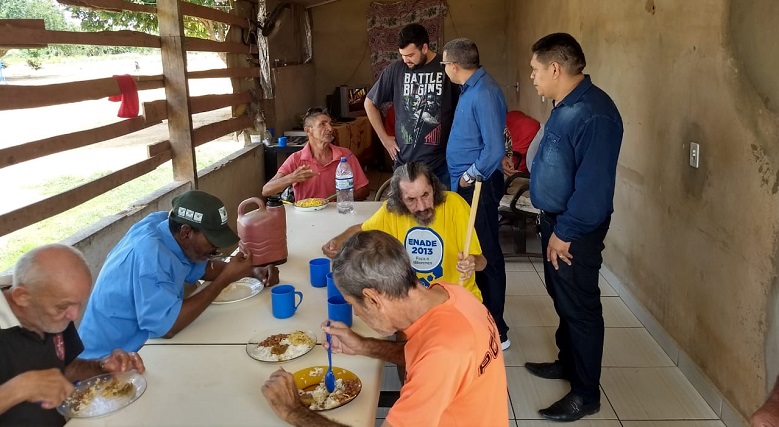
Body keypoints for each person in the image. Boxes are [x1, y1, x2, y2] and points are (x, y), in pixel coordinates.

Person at [262, 230, 508, 427]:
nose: (356, 313)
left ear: (372, 298)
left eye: (352, 304)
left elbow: (435, 359)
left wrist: (293, 411)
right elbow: (421, 354)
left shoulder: (444, 353)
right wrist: (363, 345)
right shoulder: (449, 293)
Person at [524, 33, 623, 422]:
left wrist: (564, 233)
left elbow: (594, 190)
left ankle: (586, 393)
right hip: (555, 223)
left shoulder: (594, 114)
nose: (531, 77)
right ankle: (568, 363)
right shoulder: (564, 105)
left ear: (554, 68)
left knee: (580, 308)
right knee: (562, 299)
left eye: (534, 69)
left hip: (573, 231)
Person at [78, 190, 279, 358]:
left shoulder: (166, 227)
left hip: (142, 348)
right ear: (185, 232)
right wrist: (225, 279)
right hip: (108, 362)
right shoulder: (151, 255)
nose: (215, 249)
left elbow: (200, 266)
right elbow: (168, 327)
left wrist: (251, 271)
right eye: (211, 242)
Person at [0, 244, 145, 426]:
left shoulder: (55, 312)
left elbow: (65, 369)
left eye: (78, 304)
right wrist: (17, 389)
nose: (74, 316)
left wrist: (101, 366)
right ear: (22, 297)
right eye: (63, 306)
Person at [321, 161, 486, 301]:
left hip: (455, 299)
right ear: (399, 199)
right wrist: (338, 240)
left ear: (434, 189)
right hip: (412, 300)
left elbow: (482, 263)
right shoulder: (392, 211)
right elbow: (361, 230)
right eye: (411, 200)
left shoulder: (455, 205)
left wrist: (472, 263)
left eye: (425, 194)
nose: (421, 206)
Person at [441, 38, 510, 350]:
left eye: (444, 65)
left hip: (478, 184)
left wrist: (469, 175)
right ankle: (479, 312)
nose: (444, 70)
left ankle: (498, 327)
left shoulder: (484, 92)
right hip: (467, 184)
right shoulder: (471, 88)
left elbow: (494, 149)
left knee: (487, 253)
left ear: (455, 66)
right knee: (473, 248)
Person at [365, 23, 459, 188]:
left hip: (441, 163)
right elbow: (370, 103)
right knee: (406, 212)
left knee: (442, 211)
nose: (405, 59)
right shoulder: (395, 70)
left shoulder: (446, 68)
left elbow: (463, 109)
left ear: (424, 48)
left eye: (410, 54)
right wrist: (384, 139)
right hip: (405, 165)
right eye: (402, 55)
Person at [262, 107, 370, 201]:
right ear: (308, 131)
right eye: (322, 124)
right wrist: (292, 178)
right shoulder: (296, 159)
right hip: (307, 218)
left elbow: (364, 189)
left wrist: (342, 198)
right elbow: (266, 190)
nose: (330, 129)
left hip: (338, 213)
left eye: (330, 124)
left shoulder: (345, 155)